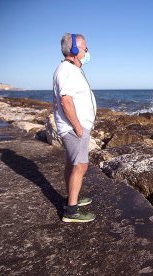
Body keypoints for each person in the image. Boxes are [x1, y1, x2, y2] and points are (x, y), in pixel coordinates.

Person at [52, 33, 96, 222]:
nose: (88, 51)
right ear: (75, 50)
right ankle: (71, 210)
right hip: (73, 128)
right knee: (80, 165)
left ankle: (73, 196)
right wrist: (78, 128)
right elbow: (66, 101)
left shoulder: (70, 69)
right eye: (85, 47)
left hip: (73, 127)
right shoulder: (67, 70)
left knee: (72, 163)